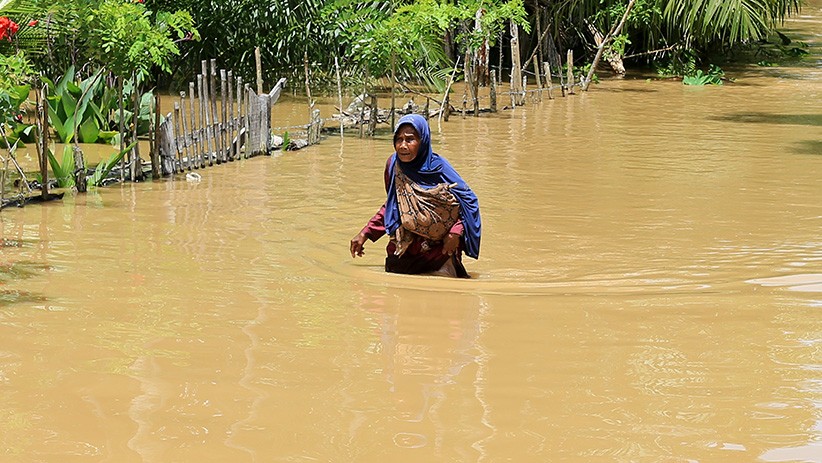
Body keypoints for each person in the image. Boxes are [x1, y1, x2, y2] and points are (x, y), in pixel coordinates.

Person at [350, 114, 481, 278]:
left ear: (422, 141)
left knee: (445, 288)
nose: (403, 146)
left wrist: (455, 233)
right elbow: (396, 205)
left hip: (439, 251)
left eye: (410, 139)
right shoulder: (394, 166)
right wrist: (366, 233)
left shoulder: (438, 168)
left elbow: (468, 202)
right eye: (399, 139)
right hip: (405, 248)